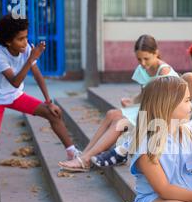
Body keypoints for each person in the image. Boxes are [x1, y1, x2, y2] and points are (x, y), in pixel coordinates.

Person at [0, 14, 80, 202]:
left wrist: (49, 101)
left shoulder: (26, 49)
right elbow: (15, 81)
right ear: (8, 41)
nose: (25, 42)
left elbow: (37, 75)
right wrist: (31, 57)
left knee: (53, 114)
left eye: (26, 37)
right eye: (20, 39)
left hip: (16, 97)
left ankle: (73, 153)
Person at [58, 35, 179, 171]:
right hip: (148, 107)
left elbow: (163, 104)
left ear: (156, 53)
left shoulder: (164, 71)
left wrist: (134, 112)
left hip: (164, 113)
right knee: (111, 114)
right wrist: (132, 100)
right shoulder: (142, 69)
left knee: (120, 122)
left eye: (146, 58)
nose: (143, 63)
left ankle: (85, 160)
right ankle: (84, 154)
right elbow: (145, 93)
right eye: (139, 59)